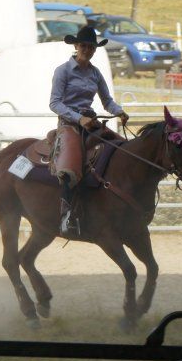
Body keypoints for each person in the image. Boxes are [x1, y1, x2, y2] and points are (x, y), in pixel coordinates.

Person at [49, 25, 130, 237]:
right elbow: (55, 103)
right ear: (76, 46)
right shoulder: (62, 71)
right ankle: (66, 215)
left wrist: (119, 112)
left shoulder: (95, 73)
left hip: (91, 123)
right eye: (84, 46)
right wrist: (78, 118)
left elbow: (107, 101)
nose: (87, 50)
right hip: (69, 124)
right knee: (70, 166)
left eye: (91, 47)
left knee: (121, 147)